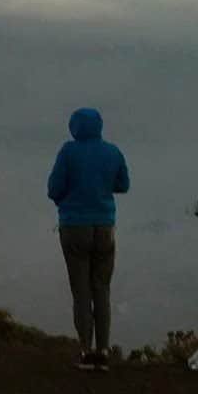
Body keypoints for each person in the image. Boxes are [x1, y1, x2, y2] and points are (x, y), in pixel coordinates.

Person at [47, 107, 130, 371]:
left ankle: (86, 351)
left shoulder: (68, 152)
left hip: (74, 227)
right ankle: (104, 352)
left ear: (75, 127)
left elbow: (53, 189)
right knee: (101, 290)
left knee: (81, 291)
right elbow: (123, 185)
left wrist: (69, 198)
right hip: (105, 227)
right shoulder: (113, 152)